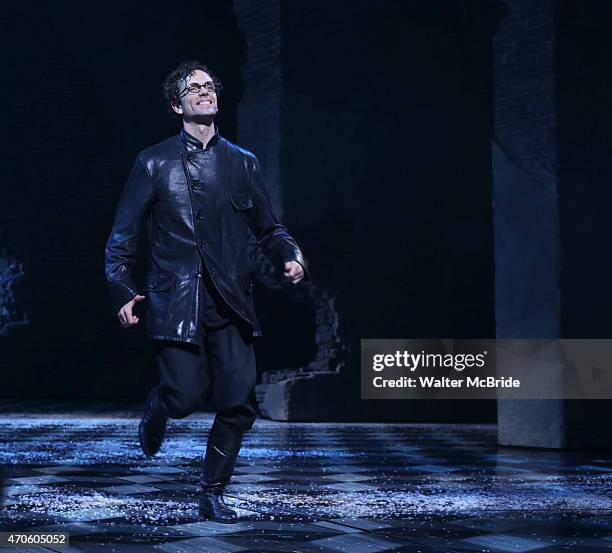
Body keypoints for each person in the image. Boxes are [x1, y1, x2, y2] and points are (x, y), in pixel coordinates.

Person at [104, 60, 308, 523]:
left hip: (232, 302)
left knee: (239, 402)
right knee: (183, 396)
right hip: (176, 300)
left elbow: (269, 227)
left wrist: (291, 255)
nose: (204, 92)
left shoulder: (242, 162)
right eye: (193, 88)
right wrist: (121, 290)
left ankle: (212, 490)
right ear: (177, 105)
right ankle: (159, 405)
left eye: (209, 86)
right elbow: (122, 238)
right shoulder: (152, 161)